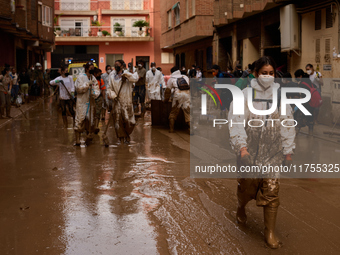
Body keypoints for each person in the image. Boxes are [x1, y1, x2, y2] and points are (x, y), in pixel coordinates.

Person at [229, 56, 295, 249]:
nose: (267, 77)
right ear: (256, 74)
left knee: (272, 191)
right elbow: (236, 123)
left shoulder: (280, 98)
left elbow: (288, 124)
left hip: (272, 152)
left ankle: (270, 232)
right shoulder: (244, 96)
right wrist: (242, 148)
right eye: (264, 73)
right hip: (249, 151)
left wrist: (288, 151)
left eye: (271, 73)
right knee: (247, 188)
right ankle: (241, 207)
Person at [107, 60, 139, 144]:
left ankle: (127, 134)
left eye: (117, 64)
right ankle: (121, 139)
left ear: (122, 66)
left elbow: (135, 78)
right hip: (117, 102)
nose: (116, 66)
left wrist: (126, 75)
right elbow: (109, 88)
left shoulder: (128, 73)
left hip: (127, 101)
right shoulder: (112, 76)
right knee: (118, 121)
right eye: (115, 65)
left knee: (130, 121)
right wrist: (114, 96)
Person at [73, 63, 100, 146]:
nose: (93, 69)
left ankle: (88, 137)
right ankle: (77, 140)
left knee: (90, 120)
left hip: (90, 102)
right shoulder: (80, 77)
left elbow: (96, 88)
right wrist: (87, 84)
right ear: (87, 69)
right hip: (82, 102)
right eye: (91, 68)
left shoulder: (93, 78)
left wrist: (94, 94)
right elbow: (78, 89)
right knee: (79, 120)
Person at [163, 66, 190, 133]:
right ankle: (190, 130)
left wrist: (166, 100)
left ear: (172, 72)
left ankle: (171, 129)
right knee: (188, 113)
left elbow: (167, 91)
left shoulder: (171, 79)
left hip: (177, 95)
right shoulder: (185, 77)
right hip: (187, 95)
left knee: (173, 112)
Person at [294, 69, 316, 136]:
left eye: (297, 77)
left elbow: (302, 95)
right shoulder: (309, 81)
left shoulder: (302, 84)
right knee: (310, 118)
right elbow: (315, 87)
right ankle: (311, 134)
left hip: (305, 103)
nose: (296, 79)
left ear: (300, 76)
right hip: (312, 103)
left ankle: (296, 133)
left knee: (298, 118)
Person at [93, 68, 105, 133]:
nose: (99, 75)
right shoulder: (90, 80)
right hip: (91, 99)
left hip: (98, 98)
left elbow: (103, 90)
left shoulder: (101, 80)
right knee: (92, 113)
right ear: (95, 74)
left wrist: (104, 99)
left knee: (98, 113)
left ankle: (96, 126)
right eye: (98, 74)